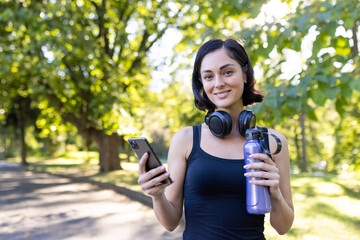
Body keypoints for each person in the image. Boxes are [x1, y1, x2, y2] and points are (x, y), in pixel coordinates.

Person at [137, 38, 294, 239]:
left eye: (228, 72)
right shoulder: (185, 139)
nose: (219, 83)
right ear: (202, 83)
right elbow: (170, 223)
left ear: (245, 74)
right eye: (208, 76)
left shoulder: (273, 141)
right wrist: (157, 195)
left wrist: (275, 194)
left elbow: (283, 227)